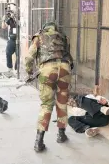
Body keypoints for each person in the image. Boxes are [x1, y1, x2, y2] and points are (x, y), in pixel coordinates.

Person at [25, 22, 74, 152]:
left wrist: (29, 72)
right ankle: (61, 135)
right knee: (62, 102)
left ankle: (39, 142)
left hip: (47, 71)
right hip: (65, 69)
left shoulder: (39, 37)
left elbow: (29, 57)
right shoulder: (62, 37)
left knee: (47, 104)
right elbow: (69, 57)